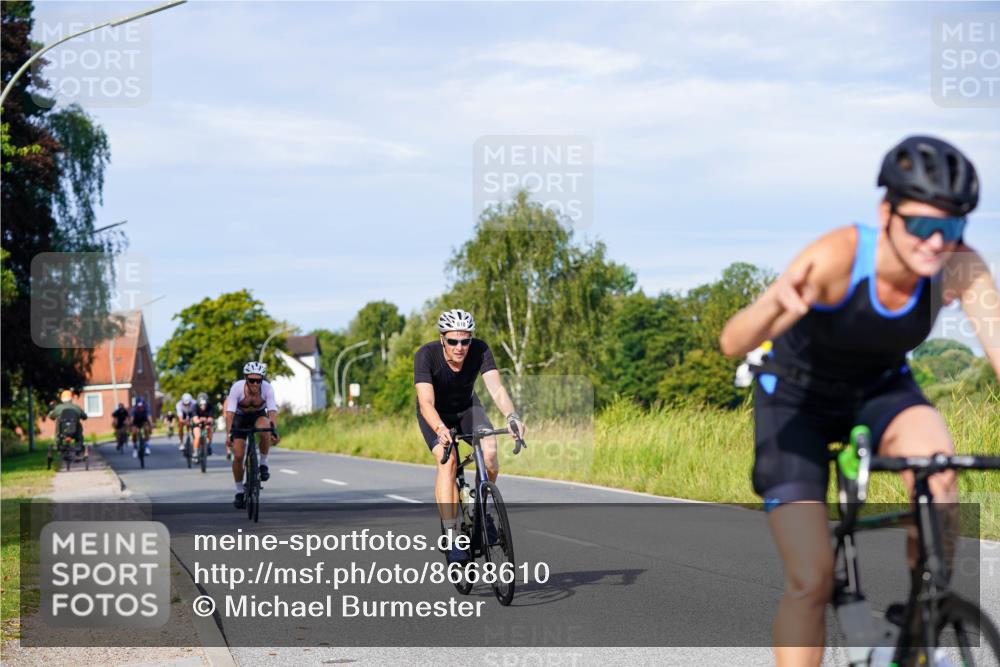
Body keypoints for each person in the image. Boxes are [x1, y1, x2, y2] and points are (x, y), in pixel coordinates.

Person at [719, 135, 999, 666]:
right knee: (812, 577)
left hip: (879, 388)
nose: (937, 241)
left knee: (940, 476)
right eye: (921, 224)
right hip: (796, 399)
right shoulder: (838, 256)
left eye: (954, 226)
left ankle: (920, 626)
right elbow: (732, 343)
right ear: (886, 212)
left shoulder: (960, 265)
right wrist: (775, 304)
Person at [414, 309, 526, 564]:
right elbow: (426, 403)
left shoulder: (480, 350)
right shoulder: (426, 355)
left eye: (465, 340)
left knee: (490, 451)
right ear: (442, 338)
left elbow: (496, 389)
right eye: (453, 341)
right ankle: (453, 536)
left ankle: (482, 511)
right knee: (449, 461)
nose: (460, 347)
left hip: (467, 408)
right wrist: (441, 430)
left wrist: (512, 416)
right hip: (435, 414)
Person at [225, 361, 280, 509]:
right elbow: (229, 413)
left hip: (258, 416)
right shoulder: (237, 388)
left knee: (265, 428)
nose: (255, 384)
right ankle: (239, 491)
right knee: (238, 455)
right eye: (251, 380)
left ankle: (263, 463)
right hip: (240, 418)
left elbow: (272, 411)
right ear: (245, 378)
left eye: (258, 380)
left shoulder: (267, 389)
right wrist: (228, 434)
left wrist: (274, 430)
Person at [48, 390, 87, 456]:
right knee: (78, 424)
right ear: (71, 398)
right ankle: (79, 445)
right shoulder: (76, 408)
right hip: (75, 432)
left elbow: (51, 416)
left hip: (62, 432)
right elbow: (85, 417)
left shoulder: (58, 408)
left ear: (62, 399)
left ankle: (58, 444)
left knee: (58, 423)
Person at [192, 392, 215, 460]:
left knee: (209, 428)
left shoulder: (210, 406)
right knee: (198, 436)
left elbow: (211, 419)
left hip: (206, 424)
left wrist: (207, 420)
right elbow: (195, 420)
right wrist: (201, 419)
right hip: (197, 424)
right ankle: (195, 452)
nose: (203, 406)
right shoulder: (195, 406)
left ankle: (208, 445)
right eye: (201, 405)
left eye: (204, 404)